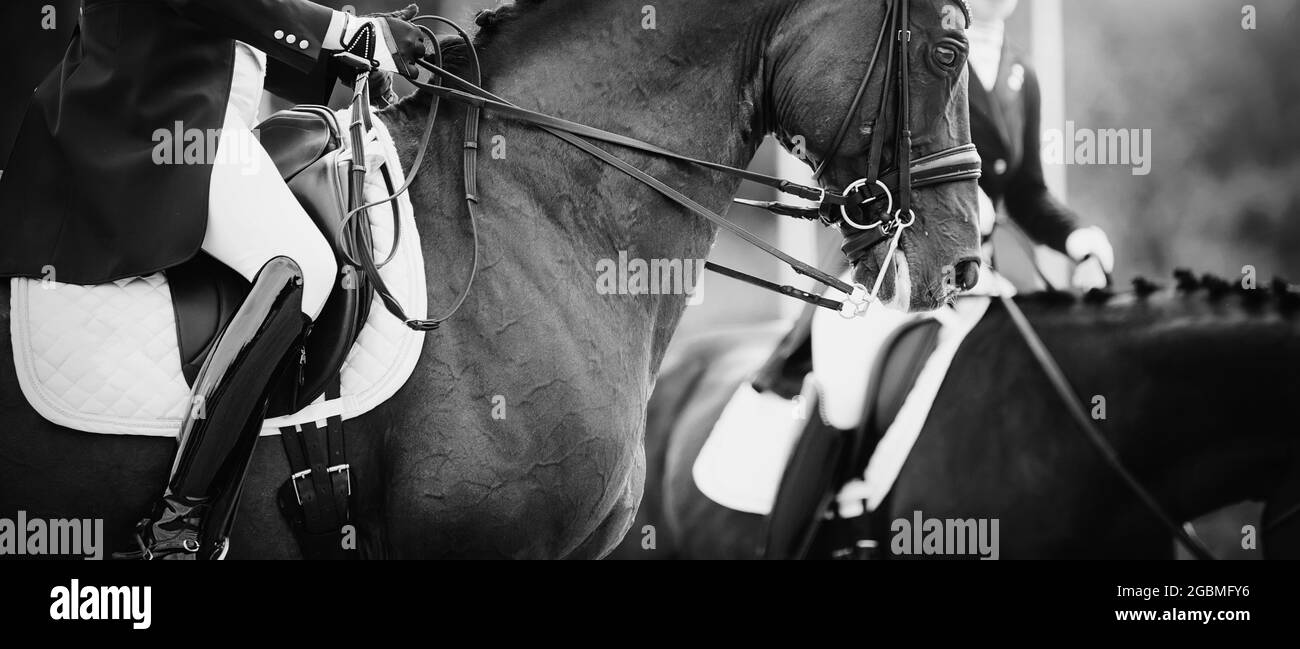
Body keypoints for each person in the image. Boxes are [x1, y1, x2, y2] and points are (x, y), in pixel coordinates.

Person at [0, 0, 432, 559]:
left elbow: (228, 27)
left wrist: (345, 51)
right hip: (155, 119)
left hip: (191, 106)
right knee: (303, 265)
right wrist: (345, 30)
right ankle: (174, 523)